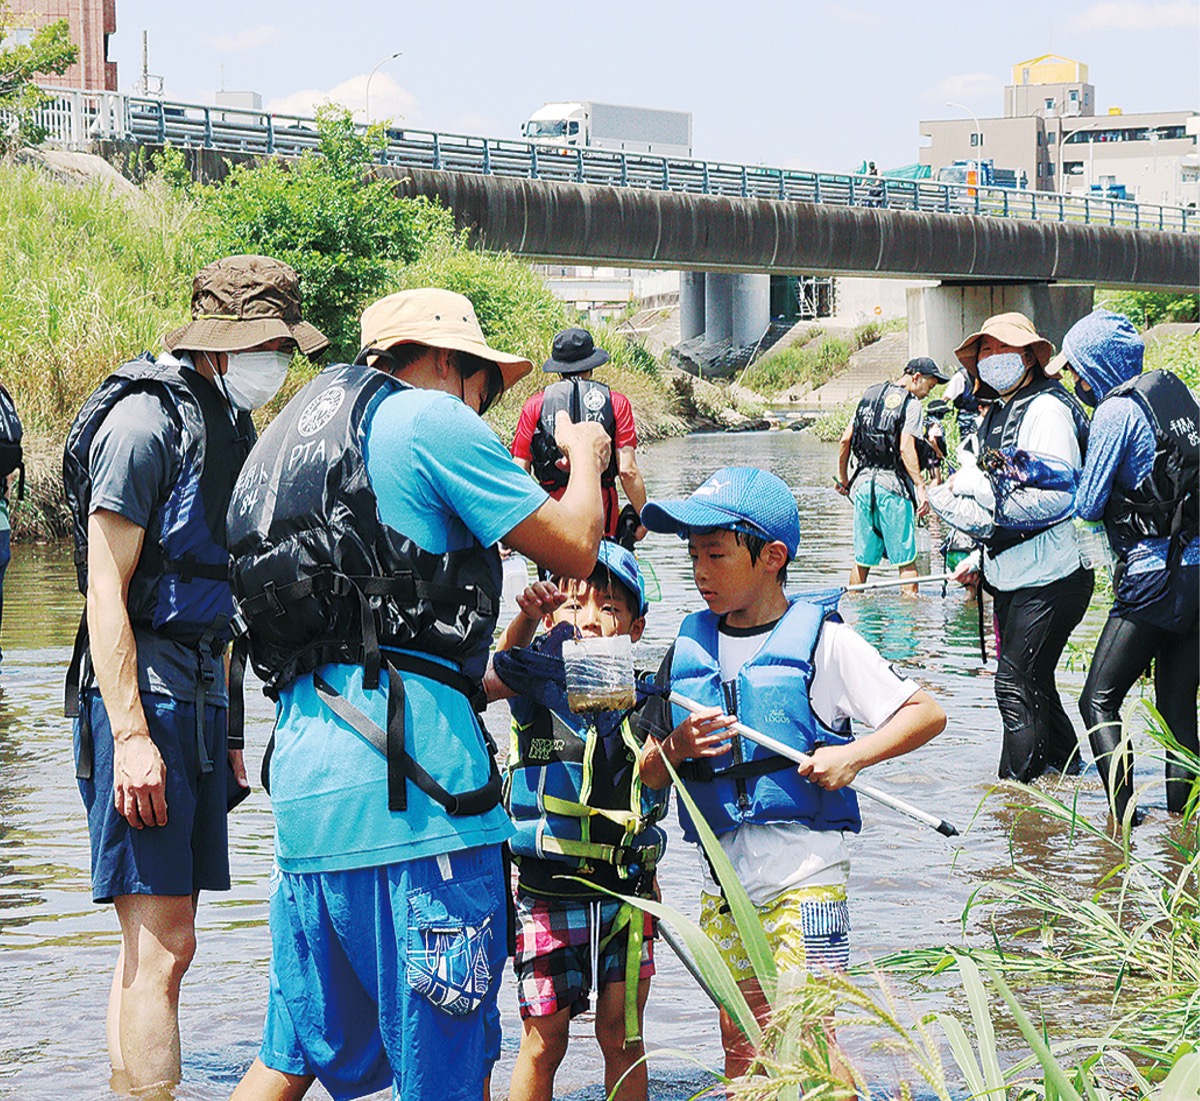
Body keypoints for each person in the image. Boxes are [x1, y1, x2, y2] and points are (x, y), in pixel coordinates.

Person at [228, 289, 612, 1101]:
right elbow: (578, 546)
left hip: (306, 800)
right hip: (416, 802)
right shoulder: (428, 419)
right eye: (482, 387)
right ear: (444, 361)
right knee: (441, 1072)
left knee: (289, 1052)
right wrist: (586, 457)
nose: (482, 408)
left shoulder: (285, 441)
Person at [63, 255, 328, 1094]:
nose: (277, 362)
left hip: (201, 696)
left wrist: (237, 732)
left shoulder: (229, 423)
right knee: (167, 943)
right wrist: (134, 736)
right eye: (266, 344)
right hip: (144, 696)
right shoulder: (145, 425)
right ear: (219, 345)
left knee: (151, 945)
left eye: (284, 345)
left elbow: (227, 605)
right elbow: (107, 589)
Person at [636, 467, 946, 1081]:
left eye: (716, 554)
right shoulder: (688, 647)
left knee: (810, 1038)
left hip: (808, 880)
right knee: (740, 1044)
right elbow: (647, 775)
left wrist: (852, 756)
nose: (699, 572)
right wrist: (673, 747)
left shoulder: (825, 644)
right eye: (692, 555)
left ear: (772, 557)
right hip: (723, 886)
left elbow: (927, 713)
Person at [487, 539, 664, 1101]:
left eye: (609, 608)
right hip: (545, 890)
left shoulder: (648, 698)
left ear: (636, 629)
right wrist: (522, 619)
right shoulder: (533, 682)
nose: (589, 620)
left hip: (627, 897)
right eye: (573, 604)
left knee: (623, 1035)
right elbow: (491, 673)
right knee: (544, 1041)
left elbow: (658, 782)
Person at [1051, 308, 1199, 826]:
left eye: (1076, 368)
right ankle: (1184, 830)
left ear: (1097, 365)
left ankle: (1123, 822)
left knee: (1098, 701)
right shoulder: (1178, 398)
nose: (1073, 380)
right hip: (1197, 575)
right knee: (1178, 708)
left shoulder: (1117, 410)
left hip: (1153, 576)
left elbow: (1089, 503)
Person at [938, 312, 1093, 784]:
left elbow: (1054, 498)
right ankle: (1069, 778)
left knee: (1014, 683)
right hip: (1016, 574)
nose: (991, 359)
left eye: (1002, 349)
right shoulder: (1002, 410)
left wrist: (983, 517)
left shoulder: (1046, 410)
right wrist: (979, 551)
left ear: (1028, 356)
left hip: (1053, 576)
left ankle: (1017, 795)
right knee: (1037, 683)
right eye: (984, 351)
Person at [512, 327, 647, 541]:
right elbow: (628, 471)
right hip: (602, 522)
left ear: (558, 369)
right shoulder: (617, 403)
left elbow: (519, 472)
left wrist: (514, 527)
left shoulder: (534, 406)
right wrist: (644, 517)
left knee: (553, 569)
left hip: (552, 521)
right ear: (591, 365)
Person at [835, 356, 948, 595]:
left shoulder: (869, 395)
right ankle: (909, 624)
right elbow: (906, 448)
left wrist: (845, 481)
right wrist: (920, 486)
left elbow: (845, 440)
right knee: (906, 563)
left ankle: (855, 614)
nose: (927, 393)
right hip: (894, 490)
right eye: (928, 386)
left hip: (864, 487)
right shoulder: (912, 404)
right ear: (916, 378)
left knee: (861, 562)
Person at [943, 363, 985, 443]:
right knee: (967, 445)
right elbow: (946, 398)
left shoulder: (984, 375)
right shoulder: (961, 376)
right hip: (966, 418)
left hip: (981, 415)